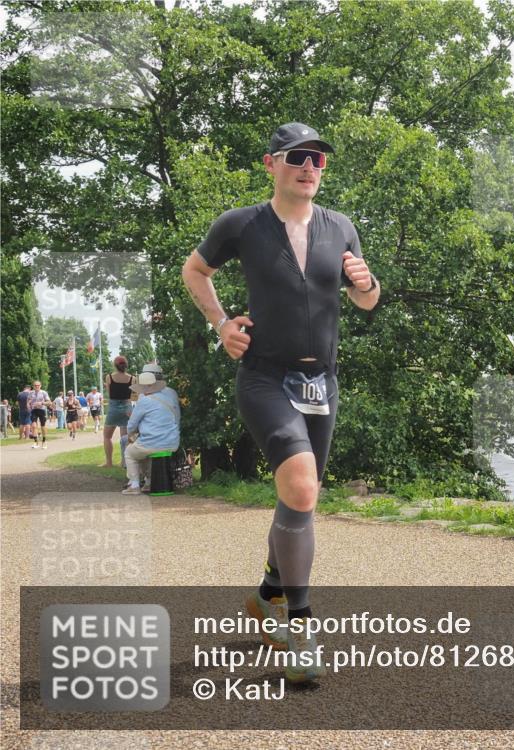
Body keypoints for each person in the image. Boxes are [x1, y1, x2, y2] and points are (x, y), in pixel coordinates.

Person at [181, 121, 379, 683]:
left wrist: (366, 284)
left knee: (300, 500)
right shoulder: (241, 224)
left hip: (323, 384)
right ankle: (301, 628)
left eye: (318, 158)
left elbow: (367, 301)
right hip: (265, 378)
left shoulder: (342, 227)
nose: (309, 167)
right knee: (301, 486)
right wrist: (221, 324)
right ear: (271, 164)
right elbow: (194, 271)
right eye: (297, 157)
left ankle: (267, 593)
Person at [122, 372, 180, 495]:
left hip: (153, 442)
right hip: (172, 441)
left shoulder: (144, 401)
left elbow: (132, 424)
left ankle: (134, 485)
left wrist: (131, 435)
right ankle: (149, 482)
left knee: (129, 453)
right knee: (142, 452)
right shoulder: (168, 398)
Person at [102, 356, 136, 468]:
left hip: (113, 407)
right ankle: (124, 462)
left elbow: (109, 393)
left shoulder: (109, 377)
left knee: (107, 436)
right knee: (125, 438)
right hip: (127, 408)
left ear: (115, 365)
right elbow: (133, 394)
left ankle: (109, 462)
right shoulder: (132, 378)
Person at [27, 381, 52, 449]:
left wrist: (41, 403)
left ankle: (44, 441)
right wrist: (28, 406)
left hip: (42, 410)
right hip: (34, 410)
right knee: (34, 426)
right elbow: (28, 401)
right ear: (33, 386)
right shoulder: (31, 393)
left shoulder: (44, 392)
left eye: (38, 385)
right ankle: (36, 442)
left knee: (42, 426)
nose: (37, 386)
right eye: (35, 385)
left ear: (40, 386)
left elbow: (49, 402)